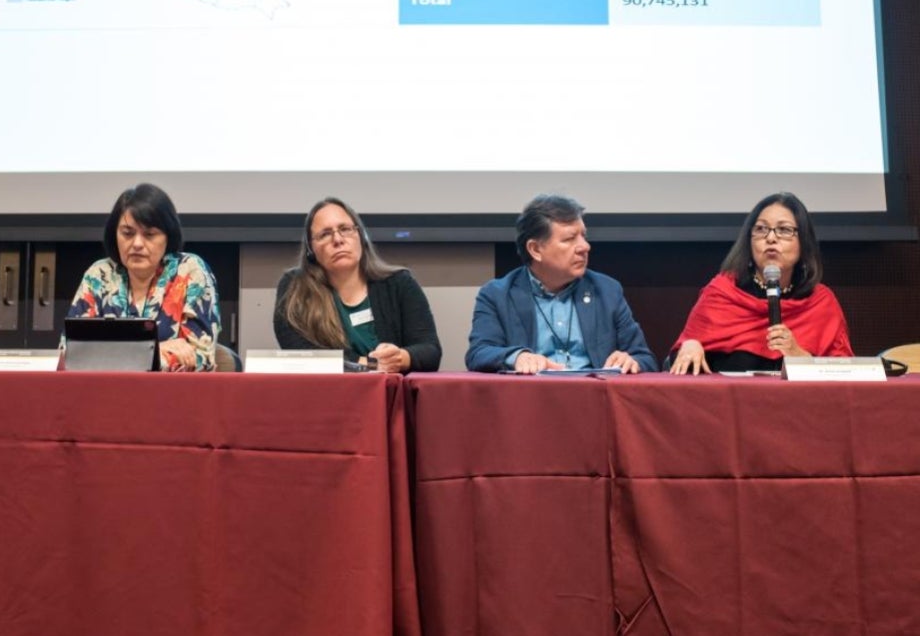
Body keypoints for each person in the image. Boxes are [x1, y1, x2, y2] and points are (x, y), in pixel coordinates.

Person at [466, 194, 656, 374]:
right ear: (535, 249)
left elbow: (645, 358)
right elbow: (478, 354)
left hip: (595, 399)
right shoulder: (497, 295)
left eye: (584, 236)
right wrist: (517, 357)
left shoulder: (606, 290)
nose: (584, 247)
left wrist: (631, 360)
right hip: (532, 398)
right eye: (569, 239)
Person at [669, 192, 852, 374]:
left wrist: (798, 355)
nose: (771, 238)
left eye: (784, 230)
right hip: (728, 401)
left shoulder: (820, 302)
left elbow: (844, 375)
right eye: (761, 229)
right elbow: (680, 361)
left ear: (803, 242)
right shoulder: (722, 292)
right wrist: (691, 344)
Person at [273, 197, 442, 373]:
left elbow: (430, 350)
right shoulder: (295, 287)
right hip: (327, 395)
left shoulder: (399, 283)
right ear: (311, 249)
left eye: (345, 229)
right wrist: (369, 364)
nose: (337, 240)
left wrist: (399, 358)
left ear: (360, 236)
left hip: (391, 395)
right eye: (325, 234)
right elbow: (304, 355)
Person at [67, 183, 220, 371]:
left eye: (149, 234)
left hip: (172, 396)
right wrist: (156, 349)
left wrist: (117, 355)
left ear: (167, 236)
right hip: (106, 394)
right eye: (127, 233)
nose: (137, 243)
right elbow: (72, 354)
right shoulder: (99, 275)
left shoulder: (190, 271)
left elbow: (200, 359)